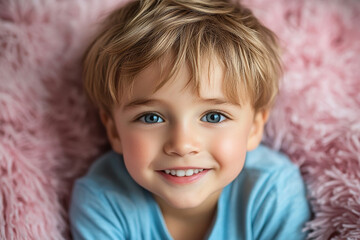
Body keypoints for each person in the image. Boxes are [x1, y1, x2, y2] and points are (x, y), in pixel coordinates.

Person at [69, 0, 311, 239]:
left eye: (213, 116)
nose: (182, 145)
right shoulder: (102, 201)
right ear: (113, 131)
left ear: (254, 128)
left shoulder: (273, 192)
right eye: (151, 117)